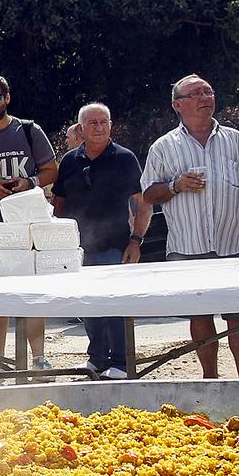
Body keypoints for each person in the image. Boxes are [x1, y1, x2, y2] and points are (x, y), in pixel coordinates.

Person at [142, 74, 239, 379]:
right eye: (196, 94)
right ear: (178, 105)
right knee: (199, 316)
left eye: (208, 92)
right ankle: (209, 377)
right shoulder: (164, 147)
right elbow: (148, 193)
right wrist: (175, 185)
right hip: (187, 247)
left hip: (234, 244)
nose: (205, 98)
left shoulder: (236, 140)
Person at [0, 74, 57, 371]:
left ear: (7, 98)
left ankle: (39, 358)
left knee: (31, 295)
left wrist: (28, 182)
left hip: (26, 226)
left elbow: (51, 171)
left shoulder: (29, 130)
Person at [51, 103, 150, 380]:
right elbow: (59, 204)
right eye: (92, 123)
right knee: (87, 306)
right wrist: (58, 244)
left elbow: (142, 204)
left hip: (115, 246)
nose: (98, 127)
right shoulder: (70, 161)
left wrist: (136, 241)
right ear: (80, 129)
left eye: (103, 122)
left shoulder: (125, 158)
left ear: (110, 125)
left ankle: (121, 362)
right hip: (77, 251)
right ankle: (97, 358)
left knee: (115, 305)